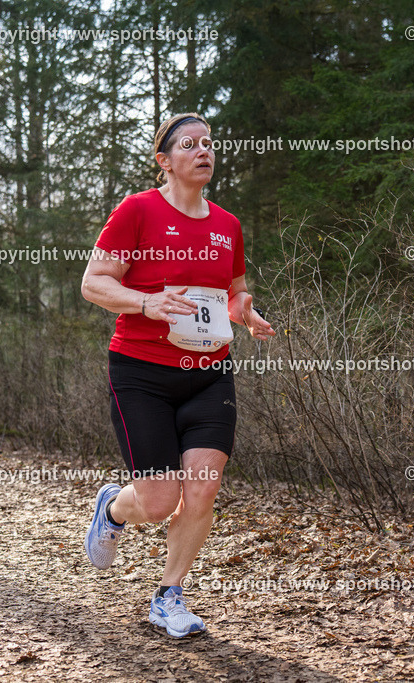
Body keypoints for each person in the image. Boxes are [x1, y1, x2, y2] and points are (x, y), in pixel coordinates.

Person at [81, 113, 275, 638]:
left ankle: (169, 595)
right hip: (141, 373)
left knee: (203, 490)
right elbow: (94, 283)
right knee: (160, 500)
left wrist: (245, 311)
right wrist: (147, 302)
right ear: (165, 161)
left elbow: (229, 292)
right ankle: (113, 509)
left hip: (210, 373)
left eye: (209, 143)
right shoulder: (137, 210)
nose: (203, 151)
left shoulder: (228, 225)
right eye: (190, 145)